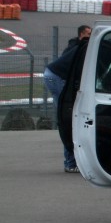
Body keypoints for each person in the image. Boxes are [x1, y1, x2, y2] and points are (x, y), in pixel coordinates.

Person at [43, 24, 91, 172]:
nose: (90, 36)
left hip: (55, 76)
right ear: (82, 35)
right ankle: (70, 163)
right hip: (56, 77)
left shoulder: (78, 46)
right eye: (89, 34)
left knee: (70, 117)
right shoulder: (78, 48)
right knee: (68, 117)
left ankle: (73, 161)